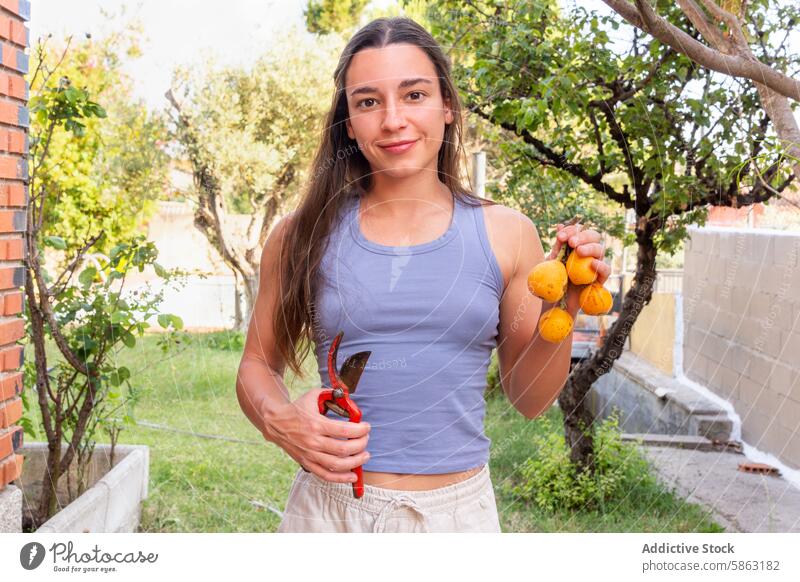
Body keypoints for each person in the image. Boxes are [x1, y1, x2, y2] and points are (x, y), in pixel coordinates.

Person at [236, 16, 610, 533]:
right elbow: (256, 365)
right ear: (348, 122)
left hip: (458, 520)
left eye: (414, 95)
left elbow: (527, 400)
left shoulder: (507, 233)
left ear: (447, 107)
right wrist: (279, 422)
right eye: (368, 101)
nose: (393, 120)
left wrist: (564, 305)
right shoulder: (300, 235)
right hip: (328, 519)